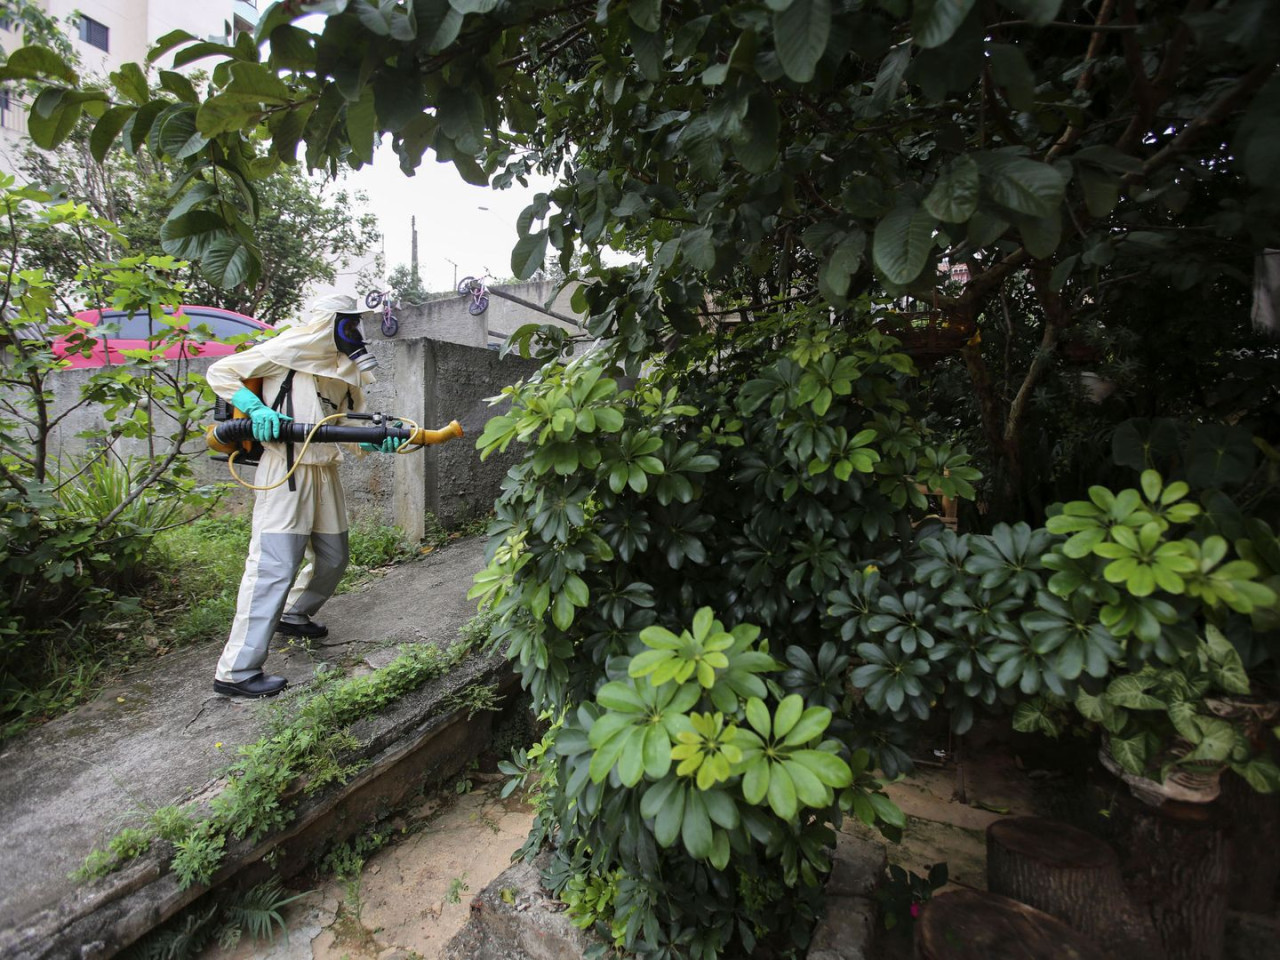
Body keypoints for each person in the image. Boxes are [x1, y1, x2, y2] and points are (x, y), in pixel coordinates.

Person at [206, 294, 400, 698]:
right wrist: (255, 409)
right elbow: (221, 371)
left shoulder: (343, 372)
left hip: (325, 470)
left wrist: (377, 442)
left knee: (334, 556)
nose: (354, 331)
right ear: (329, 322)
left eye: (356, 323)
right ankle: (236, 670)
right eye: (347, 322)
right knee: (274, 566)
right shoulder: (286, 350)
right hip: (286, 469)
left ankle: (294, 613)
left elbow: (345, 424)